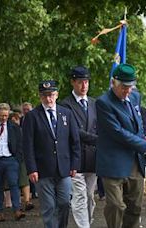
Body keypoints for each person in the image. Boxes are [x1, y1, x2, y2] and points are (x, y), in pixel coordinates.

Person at [96, 63, 146, 228]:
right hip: (113, 163)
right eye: (124, 87)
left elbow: (138, 124)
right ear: (113, 83)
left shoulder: (134, 97)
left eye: (131, 86)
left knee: (135, 207)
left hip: (134, 161)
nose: (128, 91)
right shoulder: (103, 103)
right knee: (116, 205)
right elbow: (118, 132)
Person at [23, 80, 81, 228]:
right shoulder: (32, 116)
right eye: (45, 96)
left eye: (51, 95)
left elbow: (74, 141)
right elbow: (27, 145)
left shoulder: (66, 113)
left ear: (57, 95)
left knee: (64, 203)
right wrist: (31, 168)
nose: (48, 99)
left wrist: (75, 164)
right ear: (40, 96)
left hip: (64, 168)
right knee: (48, 207)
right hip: (43, 169)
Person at [60, 66, 98, 228]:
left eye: (86, 82)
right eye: (81, 82)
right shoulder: (65, 105)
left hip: (93, 158)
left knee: (89, 195)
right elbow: (74, 131)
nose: (84, 86)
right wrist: (99, 140)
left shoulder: (94, 103)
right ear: (73, 83)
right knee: (79, 196)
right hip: (75, 158)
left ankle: (87, 223)